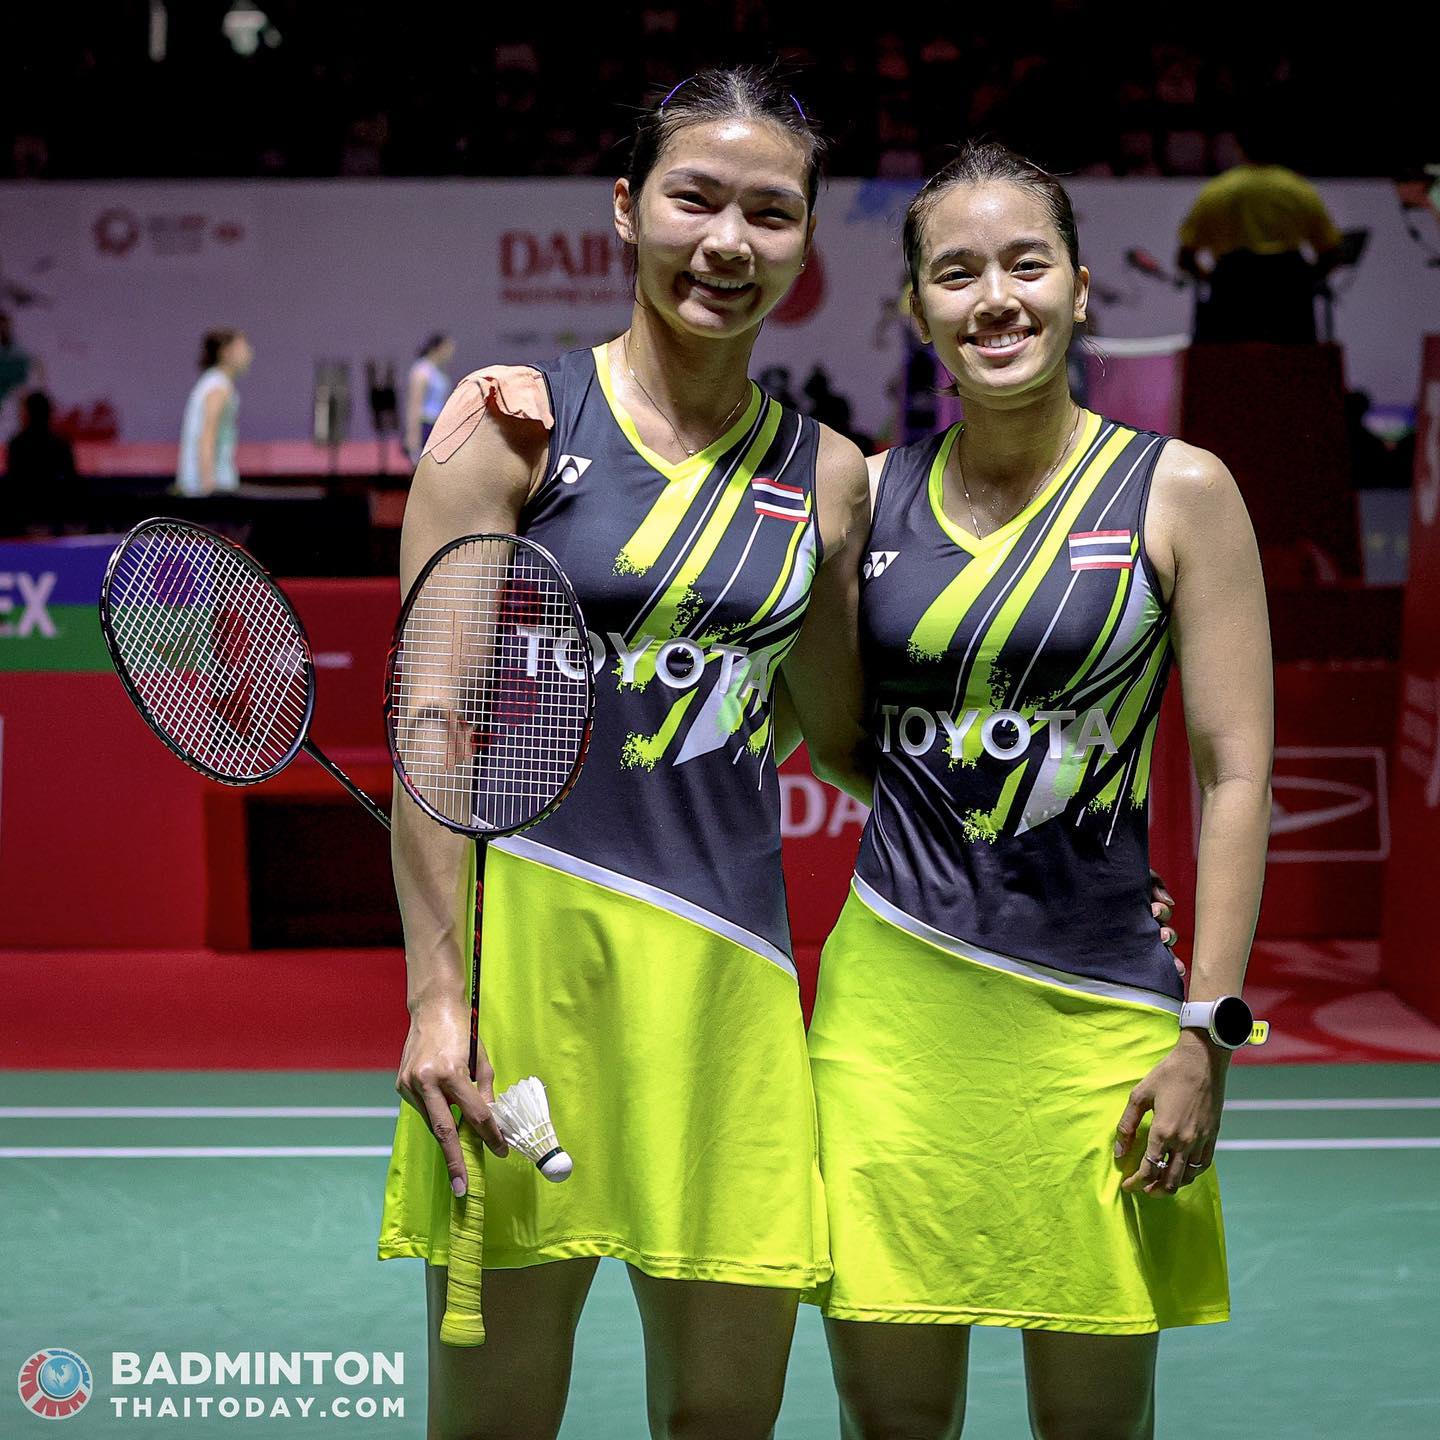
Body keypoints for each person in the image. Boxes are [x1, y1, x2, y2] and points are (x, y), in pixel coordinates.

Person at [377, 67, 871, 1440]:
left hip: (727, 989)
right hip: (529, 980)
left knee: (722, 1418)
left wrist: (1065, 857)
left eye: (769, 213)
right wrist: (437, 996)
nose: (728, 243)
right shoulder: (510, 429)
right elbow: (430, 717)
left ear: (806, 243)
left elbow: (842, 738)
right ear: (625, 207)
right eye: (693, 199)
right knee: (496, 1417)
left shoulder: (829, 477)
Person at [802, 142, 1273, 1440]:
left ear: (1079, 286)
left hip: (1104, 1019)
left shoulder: (1179, 492)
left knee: (1093, 1423)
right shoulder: (867, 498)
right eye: (957, 273)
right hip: (893, 1018)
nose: (995, 298)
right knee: (890, 1419)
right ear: (917, 309)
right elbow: (842, 743)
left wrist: (1205, 1031)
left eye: (1026, 264)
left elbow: (1236, 774)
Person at [1177, 117, 1343, 345]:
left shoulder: (1217, 191)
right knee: (1294, 363)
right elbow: (1331, 252)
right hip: (1289, 303)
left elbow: (1186, 257)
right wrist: (1303, 281)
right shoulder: (1298, 190)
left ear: (1238, 146)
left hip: (1231, 299)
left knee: (1227, 363)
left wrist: (1213, 279)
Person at [176, 329, 252, 496]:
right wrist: (208, 485)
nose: (249, 353)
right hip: (211, 487)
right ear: (226, 352)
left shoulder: (214, 382)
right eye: (242, 347)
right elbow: (207, 435)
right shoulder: (218, 387)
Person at [3, 390, 78, 534]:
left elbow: (12, 483)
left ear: (27, 414)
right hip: (51, 512)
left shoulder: (17, 444)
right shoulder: (60, 444)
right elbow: (72, 483)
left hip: (28, 513)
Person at [405, 333, 456, 464]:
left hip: (438, 425)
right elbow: (415, 404)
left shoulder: (439, 371)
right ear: (436, 348)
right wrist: (413, 436)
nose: (450, 353)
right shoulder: (422, 370)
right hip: (425, 425)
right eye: (447, 348)